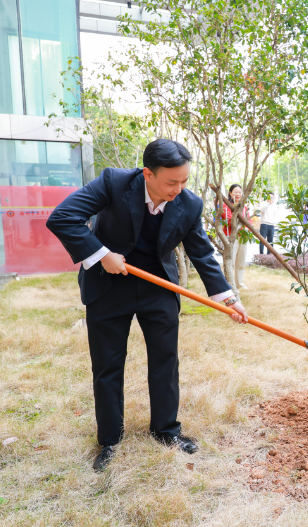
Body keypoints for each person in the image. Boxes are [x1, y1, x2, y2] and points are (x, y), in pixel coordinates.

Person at [46, 139, 249, 471]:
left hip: (159, 287)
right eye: (172, 182)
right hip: (108, 286)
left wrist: (227, 298)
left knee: (165, 362)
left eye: (184, 181)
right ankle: (110, 439)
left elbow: (201, 253)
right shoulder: (113, 183)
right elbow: (63, 217)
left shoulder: (189, 203)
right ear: (147, 174)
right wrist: (101, 254)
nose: (178, 189)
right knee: (108, 365)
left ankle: (166, 430)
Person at [222, 184, 249, 290]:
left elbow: (249, 220)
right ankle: (230, 285)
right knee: (231, 262)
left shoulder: (244, 206)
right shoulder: (226, 206)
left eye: (239, 192)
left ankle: (240, 283)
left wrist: (247, 229)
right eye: (235, 192)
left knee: (241, 262)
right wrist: (243, 224)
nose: (238, 194)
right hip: (231, 237)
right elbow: (230, 220)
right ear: (230, 193)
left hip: (243, 236)